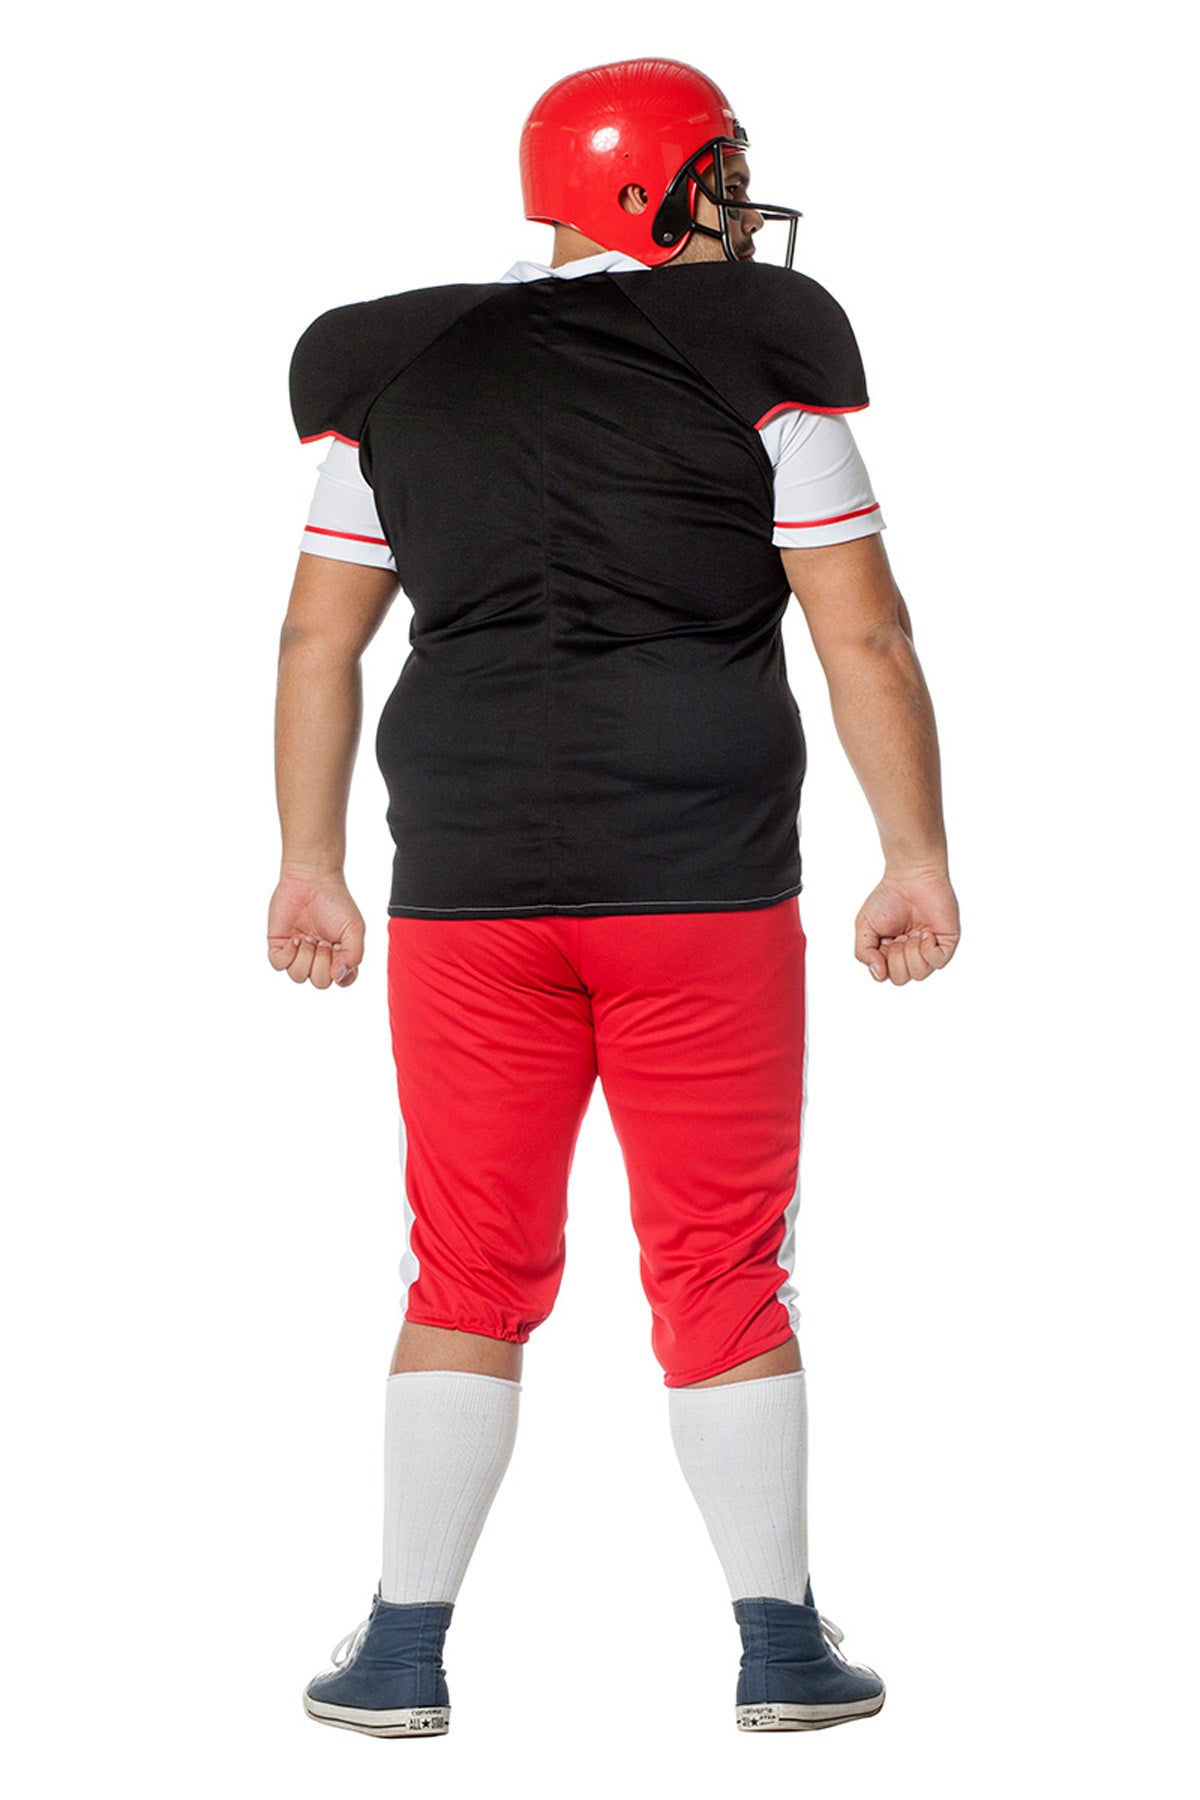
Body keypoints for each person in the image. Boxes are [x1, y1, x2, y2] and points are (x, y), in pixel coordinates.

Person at [269, 57, 960, 1738]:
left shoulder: (399, 372)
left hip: (465, 889)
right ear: (655, 187)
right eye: (721, 174)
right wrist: (916, 853)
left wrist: (310, 860)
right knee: (722, 1263)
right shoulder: (766, 371)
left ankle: (401, 1651)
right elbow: (864, 634)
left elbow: (315, 639)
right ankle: (782, 1650)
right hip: (699, 887)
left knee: (464, 1265)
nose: (741, 209)